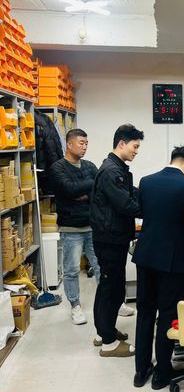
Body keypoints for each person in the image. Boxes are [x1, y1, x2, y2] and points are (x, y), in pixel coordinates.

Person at [132, 146, 184, 389]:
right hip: (172, 259)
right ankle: (161, 373)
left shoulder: (146, 182)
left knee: (145, 312)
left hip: (145, 256)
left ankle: (141, 371)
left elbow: (144, 213)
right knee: (167, 314)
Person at [90, 124, 144, 357]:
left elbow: (130, 193)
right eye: (135, 146)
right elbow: (126, 204)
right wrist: (153, 208)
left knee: (110, 286)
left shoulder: (116, 168)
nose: (136, 151)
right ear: (122, 143)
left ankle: (105, 331)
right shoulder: (112, 171)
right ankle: (108, 342)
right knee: (110, 287)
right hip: (110, 238)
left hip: (112, 236)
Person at [50, 129, 100, 325]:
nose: (85, 147)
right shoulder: (57, 168)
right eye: (81, 143)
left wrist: (83, 193)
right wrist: (88, 187)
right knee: (71, 270)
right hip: (71, 228)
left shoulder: (90, 166)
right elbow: (69, 190)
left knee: (101, 266)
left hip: (92, 226)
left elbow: (98, 189)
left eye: (87, 143)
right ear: (69, 145)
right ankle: (75, 306)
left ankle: (110, 303)